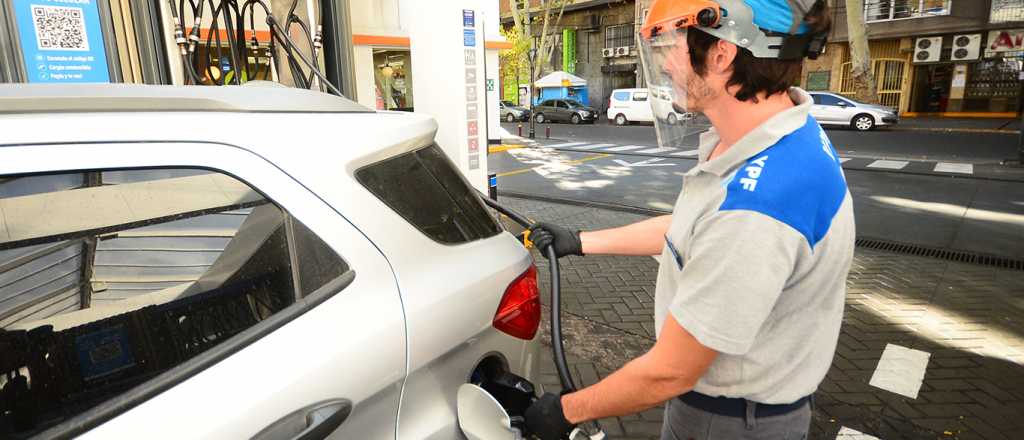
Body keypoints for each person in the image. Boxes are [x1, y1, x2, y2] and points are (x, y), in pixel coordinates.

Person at [521, 1, 853, 439]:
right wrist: (580, 240)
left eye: (670, 45)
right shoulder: (780, 135)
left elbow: (669, 372)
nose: (665, 64)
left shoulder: (756, 209)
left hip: (728, 422)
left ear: (721, 54)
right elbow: (693, 229)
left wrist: (567, 411)